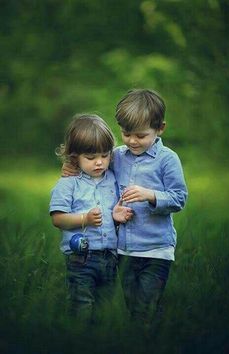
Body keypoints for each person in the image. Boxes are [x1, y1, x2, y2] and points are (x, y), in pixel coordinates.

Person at [62, 89, 188, 330]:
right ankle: (141, 337)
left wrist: (150, 195)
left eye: (140, 135)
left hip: (156, 249)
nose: (132, 141)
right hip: (124, 249)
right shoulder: (117, 156)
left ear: (160, 128)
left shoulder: (167, 159)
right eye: (126, 133)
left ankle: (152, 337)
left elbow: (179, 198)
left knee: (146, 305)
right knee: (133, 305)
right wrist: (72, 169)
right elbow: (95, 168)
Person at [49, 113, 133, 325]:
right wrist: (84, 219)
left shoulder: (112, 178)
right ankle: (80, 340)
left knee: (105, 307)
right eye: (90, 157)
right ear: (74, 156)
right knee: (82, 304)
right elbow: (57, 219)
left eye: (105, 155)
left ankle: (100, 341)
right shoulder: (68, 183)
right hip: (81, 258)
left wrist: (116, 216)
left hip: (109, 256)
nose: (99, 162)